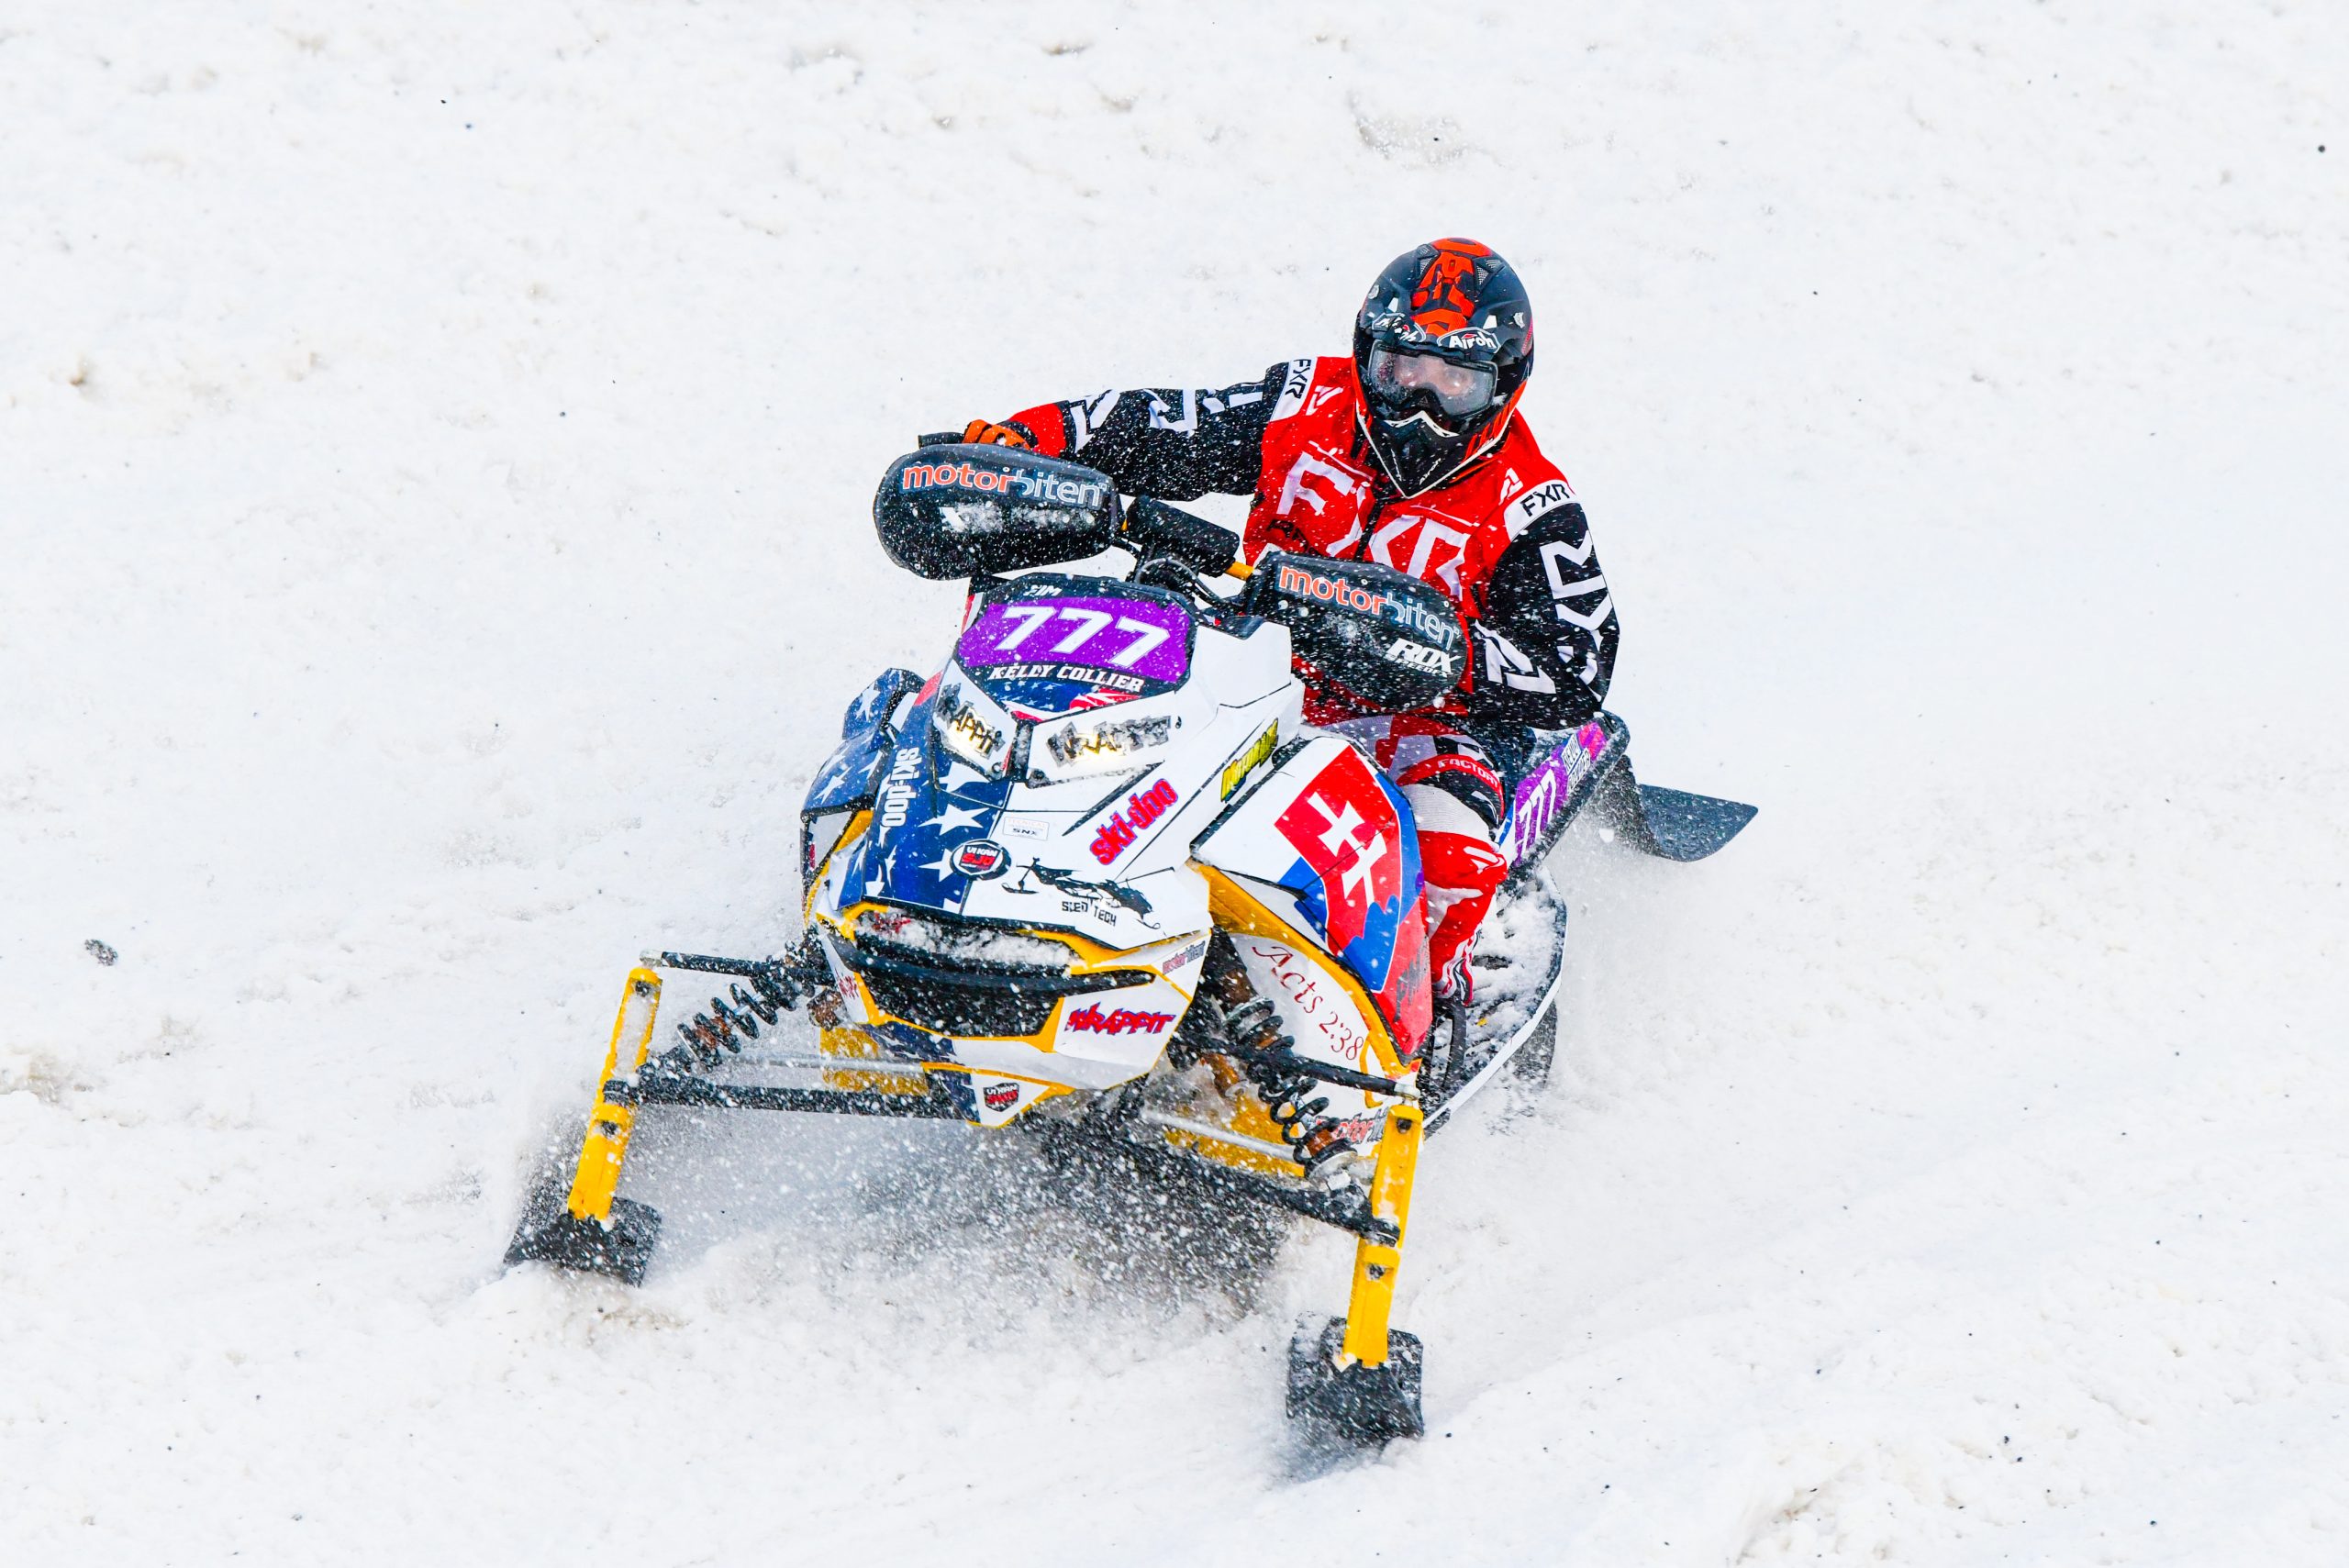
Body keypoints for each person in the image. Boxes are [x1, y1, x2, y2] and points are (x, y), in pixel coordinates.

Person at [960, 238, 1618, 1014]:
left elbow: (1580, 668)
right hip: (1257, 676)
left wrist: (1433, 648)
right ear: (1367, 355)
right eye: (1401, 368)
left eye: (1455, 382)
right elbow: (1162, 425)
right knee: (1093, 745)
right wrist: (1035, 438)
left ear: (1502, 385)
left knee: (1444, 849)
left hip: (1421, 723)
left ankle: (1432, 1014)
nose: (1419, 403)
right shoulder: (1302, 403)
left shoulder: (1530, 504)